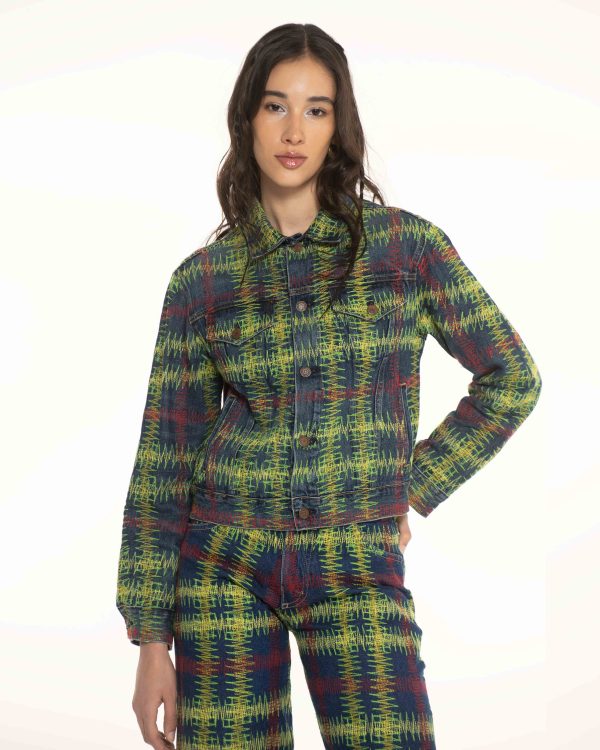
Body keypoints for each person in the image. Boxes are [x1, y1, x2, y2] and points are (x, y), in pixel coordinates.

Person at [115, 22, 542, 750]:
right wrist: (151, 641)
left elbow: (511, 377)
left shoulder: (407, 251)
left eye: (317, 110)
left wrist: (413, 487)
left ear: (338, 125)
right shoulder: (203, 282)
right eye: (275, 106)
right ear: (247, 118)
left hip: (357, 561)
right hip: (223, 567)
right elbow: (165, 464)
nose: (294, 131)